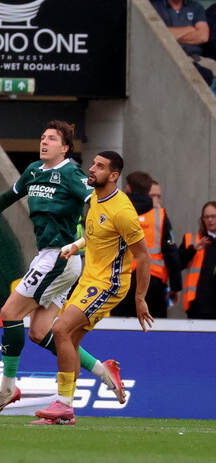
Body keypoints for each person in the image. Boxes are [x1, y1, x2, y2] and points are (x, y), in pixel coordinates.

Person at [0, 121, 126, 417]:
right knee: (38, 332)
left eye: (51, 139)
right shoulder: (34, 170)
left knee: (9, 313)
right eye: (42, 137)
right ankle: (104, 370)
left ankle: (7, 387)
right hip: (47, 257)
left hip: (60, 258)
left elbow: (98, 205)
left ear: (65, 148)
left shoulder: (72, 173)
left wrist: (88, 241)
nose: (44, 142)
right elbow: (10, 196)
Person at [36, 151, 153, 426]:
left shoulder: (123, 212)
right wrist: (75, 246)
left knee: (59, 329)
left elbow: (144, 256)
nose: (92, 169)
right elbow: (95, 235)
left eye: (100, 167)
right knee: (69, 342)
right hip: (89, 279)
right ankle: (68, 409)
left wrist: (140, 298)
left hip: (109, 284)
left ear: (114, 176)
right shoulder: (96, 199)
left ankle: (64, 405)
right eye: (93, 163)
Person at [114, 171, 181, 317]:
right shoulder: (159, 216)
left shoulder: (116, 213)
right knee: (153, 327)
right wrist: (175, 286)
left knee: (119, 328)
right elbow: (171, 253)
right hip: (153, 281)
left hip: (121, 279)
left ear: (128, 189)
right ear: (148, 190)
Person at [152, 0, 215, 85]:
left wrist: (171, 35)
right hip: (169, 59)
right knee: (203, 75)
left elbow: (203, 36)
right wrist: (190, 28)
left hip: (198, 58)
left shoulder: (196, 7)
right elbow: (157, 35)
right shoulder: (156, 8)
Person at [181, 201, 216, 319]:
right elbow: (178, 263)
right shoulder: (192, 240)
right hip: (198, 305)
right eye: (207, 217)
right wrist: (193, 249)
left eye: (213, 216)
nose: (210, 220)